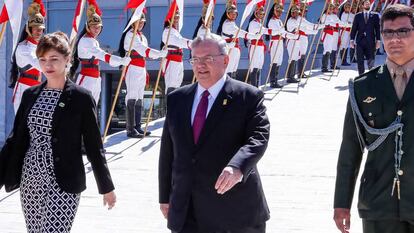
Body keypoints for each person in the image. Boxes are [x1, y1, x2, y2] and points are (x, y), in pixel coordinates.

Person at [0, 32, 116, 233]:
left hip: (64, 181)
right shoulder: (30, 95)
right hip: (31, 179)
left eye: (54, 59)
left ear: (68, 59)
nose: (47, 65)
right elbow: (14, 140)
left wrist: (106, 187)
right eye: (42, 60)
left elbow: (93, 145)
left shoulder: (81, 97)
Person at [158, 33, 270, 233]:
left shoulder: (247, 96)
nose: (200, 65)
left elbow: (258, 138)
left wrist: (238, 167)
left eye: (208, 59)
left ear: (225, 60)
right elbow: (168, 152)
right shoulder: (177, 99)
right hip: (188, 211)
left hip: (234, 212)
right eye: (195, 59)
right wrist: (165, 197)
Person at [333, 4, 414, 233]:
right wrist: (341, 203)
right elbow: (350, 148)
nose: (395, 39)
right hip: (378, 204)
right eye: (388, 32)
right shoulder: (363, 86)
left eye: (403, 31)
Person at [119, 13, 167, 138]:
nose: (140, 24)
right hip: (133, 67)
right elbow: (142, 50)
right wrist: (159, 54)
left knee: (140, 96)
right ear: (133, 22)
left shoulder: (142, 36)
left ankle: (137, 126)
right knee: (132, 96)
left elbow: (144, 52)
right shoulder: (130, 35)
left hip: (140, 67)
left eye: (142, 22)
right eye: (138, 21)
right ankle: (130, 129)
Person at [70, 3, 131, 103]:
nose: (96, 29)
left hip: (95, 78)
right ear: (87, 27)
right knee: (83, 107)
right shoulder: (86, 40)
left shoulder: (93, 40)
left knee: (92, 108)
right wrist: (121, 61)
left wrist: (121, 61)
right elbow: (102, 55)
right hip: (87, 79)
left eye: (98, 27)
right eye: (93, 26)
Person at [10, 0, 45, 113]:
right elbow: (39, 64)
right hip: (24, 88)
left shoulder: (40, 47)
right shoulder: (23, 48)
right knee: (23, 126)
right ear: (29, 28)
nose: (39, 31)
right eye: (35, 28)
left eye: (41, 29)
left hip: (38, 87)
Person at [217, 0, 260, 79]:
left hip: (235, 48)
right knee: (229, 69)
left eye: (235, 14)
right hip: (230, 49)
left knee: (234, 69)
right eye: (231, 14)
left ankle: (233, 87)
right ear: (227, 14)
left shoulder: (232, 23)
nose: (233, 15)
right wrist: (254, 36)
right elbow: (241, 33)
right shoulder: (227, 24)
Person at [266, 1, 298, 88]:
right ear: (274, 11)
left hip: (280, 42)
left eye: (280, 12)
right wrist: (279, 31)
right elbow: (272, 32)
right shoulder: (271, 21)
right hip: (275, 41)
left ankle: (275, 80)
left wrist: (293, 36)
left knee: (279, 61)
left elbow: (284, 33)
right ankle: (273, 81)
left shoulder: (279, 21)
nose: (279, 13)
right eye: (277, 11)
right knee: (275, 61)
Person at [162, 9, 192, 95]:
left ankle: (176, 107)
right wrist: (192, 43)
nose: (176, 20)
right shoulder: (167, 31)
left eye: (177, 17)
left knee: (177, 86)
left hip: (179, 60)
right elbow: (178, 41)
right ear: (169, 19)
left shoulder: (175, 31)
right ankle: (169, 108)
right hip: (172, 60)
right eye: (174, 18)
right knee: (171, 86)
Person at [350, 0, 381, 75]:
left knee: (371, 59)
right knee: (360, 60)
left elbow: (377, 28)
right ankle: (361, 76)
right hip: (360, 41)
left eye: (368, 4)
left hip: (370, 41)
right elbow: (354, 28)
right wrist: (351, 40)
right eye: (366, 4)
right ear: (362, 5)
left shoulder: (375, 15)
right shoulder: (358, 16)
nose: (367, 5)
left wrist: (378, 40)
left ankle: (371, 76)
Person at [321, 3, 349, 72]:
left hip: (333, 34)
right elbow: (329, 23)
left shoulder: (334, 16)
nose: (331, 10)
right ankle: (324, 67)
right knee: (327, 50)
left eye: (332, 9)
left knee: (332, 49)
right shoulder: (324, 16)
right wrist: (337, 24)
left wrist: (348, 25)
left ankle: (332, 65)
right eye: (330, 9)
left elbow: (339, 22)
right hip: (327, 33)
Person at [339, 1, 355, 66]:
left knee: (347, 46)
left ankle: (345, 59)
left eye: (349, 7)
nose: (348, 8)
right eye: (347, 7)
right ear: (344, 8)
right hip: (344, 31)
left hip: (349, 32)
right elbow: (344, 23)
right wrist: (350, 24)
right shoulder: (343, 14)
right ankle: (343, 61)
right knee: (343, 46)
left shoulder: (351, 14)